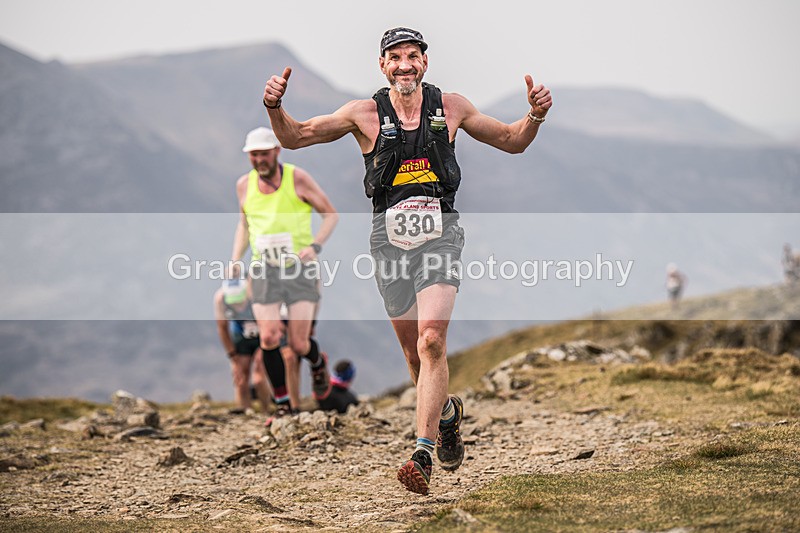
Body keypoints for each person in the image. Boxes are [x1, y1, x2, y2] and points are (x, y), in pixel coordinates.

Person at [262, 27, 552, 495]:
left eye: (412, 56)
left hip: (441, 235)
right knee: (414, 358)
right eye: (395, 57)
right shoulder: (362, 114)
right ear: (382, 65)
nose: (404, 65)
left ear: (424, 63)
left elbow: (512, 140)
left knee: (432, 341)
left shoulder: (451, 107)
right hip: (388, 242)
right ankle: (448, 415)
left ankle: (422, 452)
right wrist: (276, 108)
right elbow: (296, 138)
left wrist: (535, 116)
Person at [230, 126, 339, 419]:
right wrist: (236, 258)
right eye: (254, 155)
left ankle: (317, 363)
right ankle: (282, 405)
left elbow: (330, 214)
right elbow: (245, 223)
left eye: (264, 154)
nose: (259, 160)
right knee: (268, 338)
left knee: (299, 344)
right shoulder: (244, 185)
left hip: (300, 270)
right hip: (264, 269)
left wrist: (315, 246)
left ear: (276, 152)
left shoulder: (297, 179)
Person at [213, 278, 272, 414]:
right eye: (234, 303)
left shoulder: (258, 295)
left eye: (240, 302)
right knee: (240, 377)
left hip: (261, 336)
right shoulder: (220, 299)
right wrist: (233, 356)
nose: (238, 307)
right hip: (240, 337)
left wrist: (263, 350)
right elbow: (222, 328)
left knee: (259, 376)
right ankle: (245, 411)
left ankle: (265, 409)